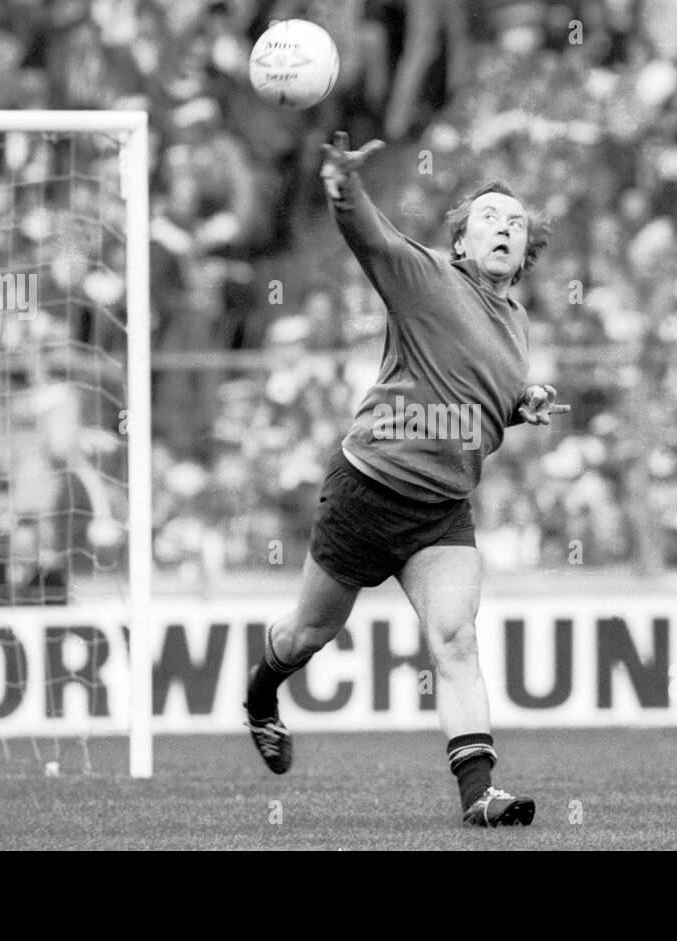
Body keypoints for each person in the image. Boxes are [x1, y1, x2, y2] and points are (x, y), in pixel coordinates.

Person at [242, 132, 568, 827]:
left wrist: (519, 404)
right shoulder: (427, 279)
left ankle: (480, 795)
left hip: (442, 509)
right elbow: (372, 237)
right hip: (367, 490)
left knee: (456, 638)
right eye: (489, 216)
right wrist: (343, 185)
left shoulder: (515, 321)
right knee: (307, 634)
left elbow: (477, 393)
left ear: (527, 248)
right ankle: (262, 691)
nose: (504, 226)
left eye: (515, 221)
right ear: (460, 242)